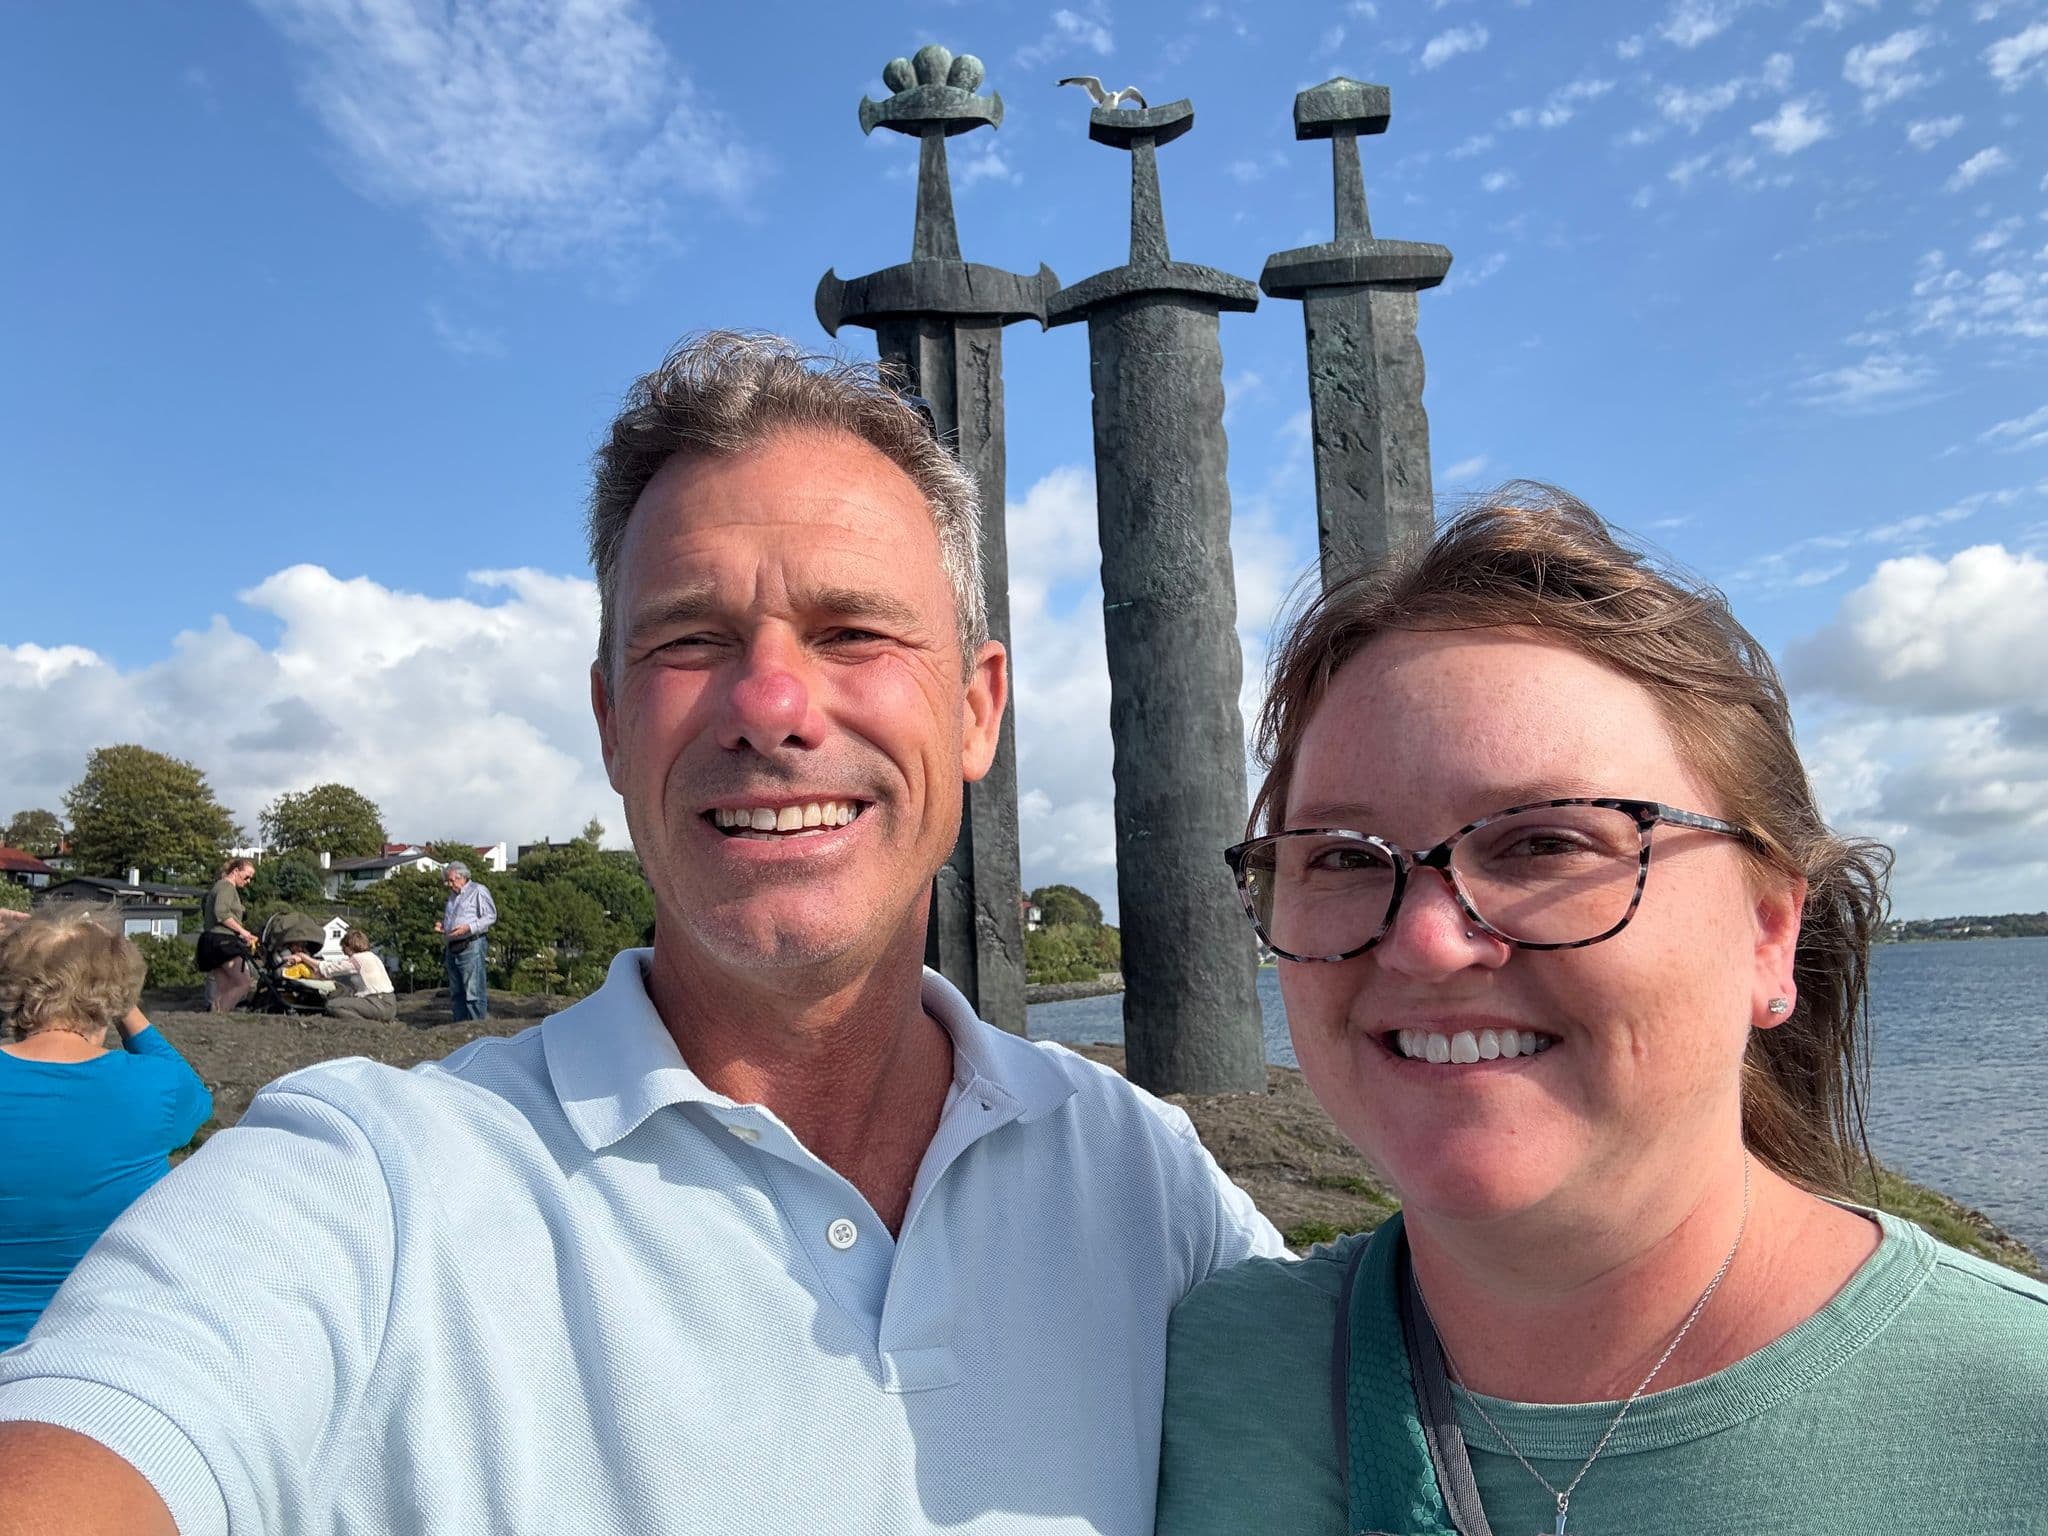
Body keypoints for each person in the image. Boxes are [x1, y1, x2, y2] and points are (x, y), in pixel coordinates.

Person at [0, 331, 1282, 1535]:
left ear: (975, 709)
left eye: (851, 631)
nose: (772, 706)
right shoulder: (369, 1193)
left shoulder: (1140, 1176)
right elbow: (118, 1420)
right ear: (611, 720)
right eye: (690, 639)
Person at [1155, 488, 2048, 1535]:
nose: (1429, 941)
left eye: (1542, 844)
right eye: (1345, 859)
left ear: (1766, 932)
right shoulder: (1195, 1384)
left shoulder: (2010, 1421)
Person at [0, 911, 213, 1352]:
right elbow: (198, 1101)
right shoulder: (156, 1088)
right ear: (114, 996)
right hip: (95, 1352)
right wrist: (125, 1008)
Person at [434, 860, 494, 1020]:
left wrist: (468, 927)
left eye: (452, 880)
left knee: (473, 991)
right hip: (452, 946)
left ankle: (477, 1026)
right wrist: (444, 927)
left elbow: (490, 916)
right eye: (448, 880)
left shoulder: (478, 891)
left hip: (471, 944)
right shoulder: (453, 896)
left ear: (463, 877)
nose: (449, 884)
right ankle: (460, 1026)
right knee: (456, 991)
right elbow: (455, 918)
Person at [195, 858, 257, 1013]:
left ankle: (214, 1017)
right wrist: (244, 933)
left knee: (225, 988)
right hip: (222, 942)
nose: (248, 881)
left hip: (211, 941)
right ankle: (218, 1014)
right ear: (235, 871)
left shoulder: (219, 887)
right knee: (243, 983)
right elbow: (221, 913)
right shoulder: (227, 887)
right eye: (246, 876)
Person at [313, 928, 397, 1022]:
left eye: (343, 948)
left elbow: (328, 967)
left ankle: (365, 1025)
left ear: (348, 947)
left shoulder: (357, 959)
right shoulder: (372, 957)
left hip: (377, 1003)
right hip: (390, 1004)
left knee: (332, 1005)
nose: (344, 953)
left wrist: (302, 957)